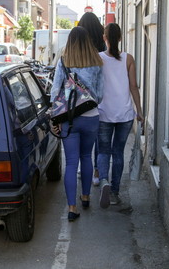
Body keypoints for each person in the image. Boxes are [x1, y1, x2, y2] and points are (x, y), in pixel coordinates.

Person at [50, 26, 104, 222]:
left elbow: (55, 91)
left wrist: (55, 117)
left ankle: (72, 208)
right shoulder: (97, 62)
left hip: (69, 119)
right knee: (86, 157)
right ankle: (86, 197)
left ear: (70, 42)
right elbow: (100, 93)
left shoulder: (64, 62)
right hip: (91, 117)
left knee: (71, 162)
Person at [97, 23, 144, 208]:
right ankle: (115, 192)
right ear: (120, 38)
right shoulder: (128, 59)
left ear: (104, 38)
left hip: (103, 113)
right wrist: (139, 111)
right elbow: (134, 86)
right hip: (124, 114)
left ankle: (103, 182)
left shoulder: (98, 58)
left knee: (103, 151)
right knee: (118, 153)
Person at [77, 12, 106, 186]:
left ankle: (83, 166)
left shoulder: (78, 46)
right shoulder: (101, 47)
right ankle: (96, 171)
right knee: (98, 138)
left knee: (81, 135)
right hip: (101, 97)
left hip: (79, 100)